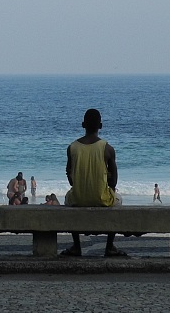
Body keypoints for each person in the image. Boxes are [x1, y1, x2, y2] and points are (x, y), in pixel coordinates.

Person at [63, 107, 125, 258]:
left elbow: (70, 179)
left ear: (83, 125)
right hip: (102, 199)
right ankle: (109, 246)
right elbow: (114, 181)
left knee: (67, 199)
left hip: (78, 199)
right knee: (118, 200)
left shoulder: (72, 148)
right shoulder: (107, 149)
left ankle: (76, 246)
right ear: (100, 126)